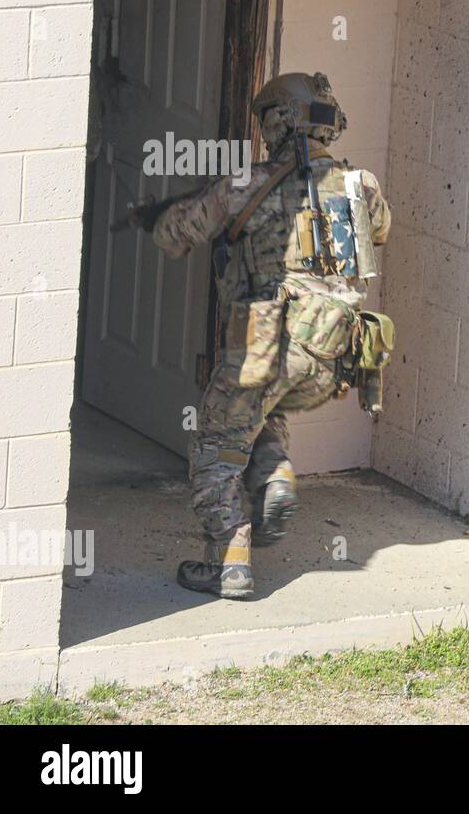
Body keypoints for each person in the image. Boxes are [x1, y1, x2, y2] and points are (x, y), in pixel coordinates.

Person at [149, 71, 391, 600]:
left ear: (278, 122)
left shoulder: (247, 184)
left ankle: (229, 564)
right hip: (334, 356)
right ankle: (276, 474)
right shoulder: (363, 185)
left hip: (271, 344)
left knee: (215, 445)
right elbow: (379, 231)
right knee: (263, 412)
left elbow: (177, 233)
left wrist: (151, 214)